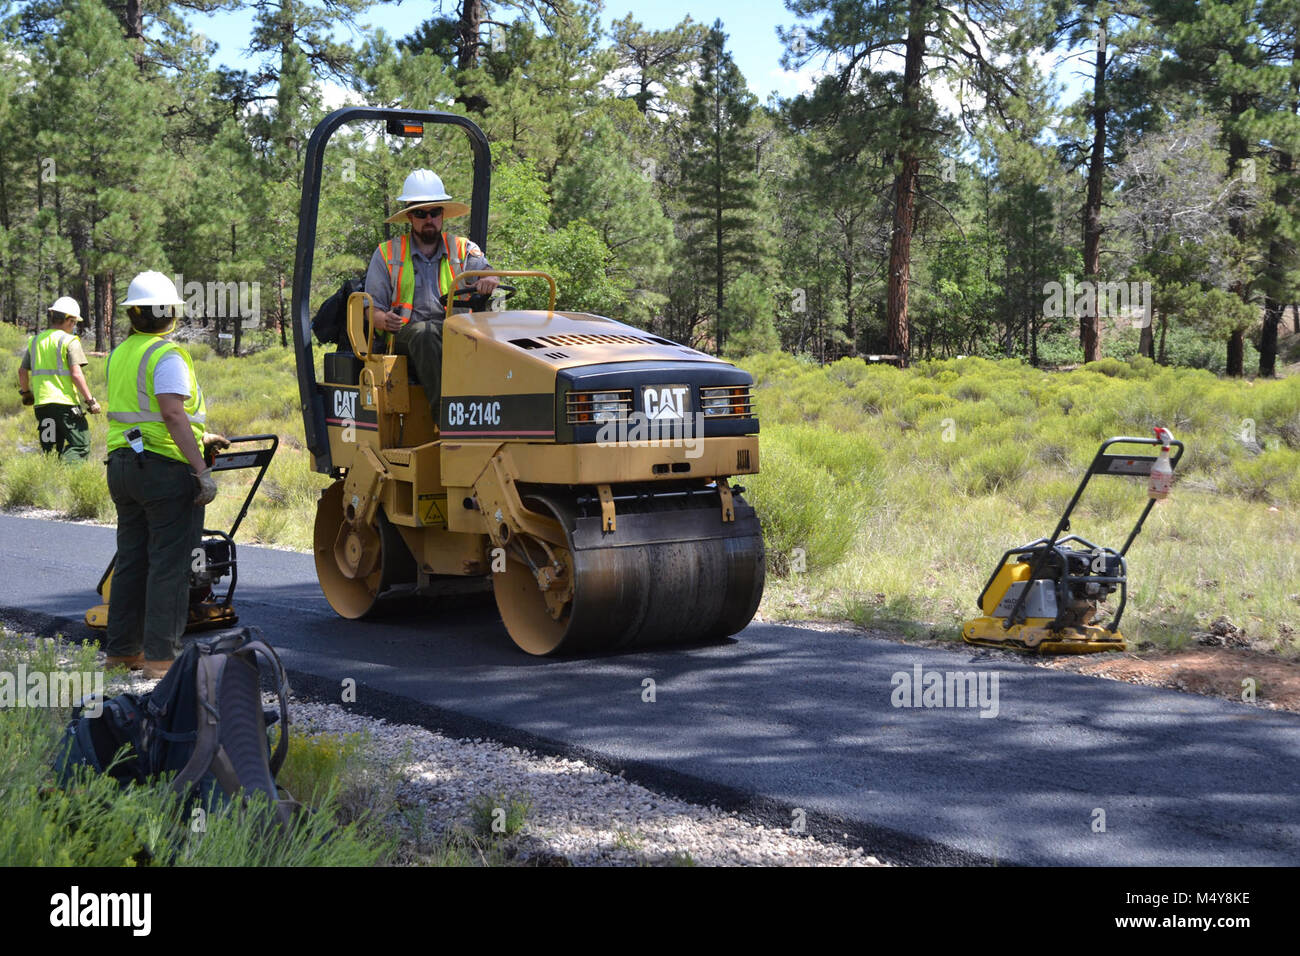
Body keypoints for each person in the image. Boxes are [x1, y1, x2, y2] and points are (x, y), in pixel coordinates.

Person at [103, 271, 224, 678]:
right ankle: (161, 660)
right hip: (161, 468)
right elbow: (171, 413)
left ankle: (122, 653)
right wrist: (201, 469)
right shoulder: (166, 355)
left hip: (122, 466)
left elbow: (145, 412)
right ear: (170, 313)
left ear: (133, 314)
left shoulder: (121, 353)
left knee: (133, 560)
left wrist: (201, 433)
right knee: (170, 565)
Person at [365, 168, 499, 421]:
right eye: (420, 213)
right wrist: (382, 320)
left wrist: (490, 279)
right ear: (409, 217)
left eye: (434, 212)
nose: (429, 219)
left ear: (443, 215)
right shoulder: (386, 254)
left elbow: (488, 272)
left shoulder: (462, 248)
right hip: (406, 338)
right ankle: (447, 418)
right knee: (424, 333)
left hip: (454, 332)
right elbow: (371, 308)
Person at [17, 296, 100, 461]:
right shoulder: (69, 341)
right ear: (69, 320)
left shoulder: (35, 341)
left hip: (42, 406)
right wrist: (91, 401)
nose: (74, 326)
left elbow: (22, 371)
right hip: (65, 405)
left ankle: (51, 482)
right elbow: (76, 374)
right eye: (75, 322)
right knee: (80, 445)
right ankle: (68, 476)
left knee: (51, 451)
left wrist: (26, 393)